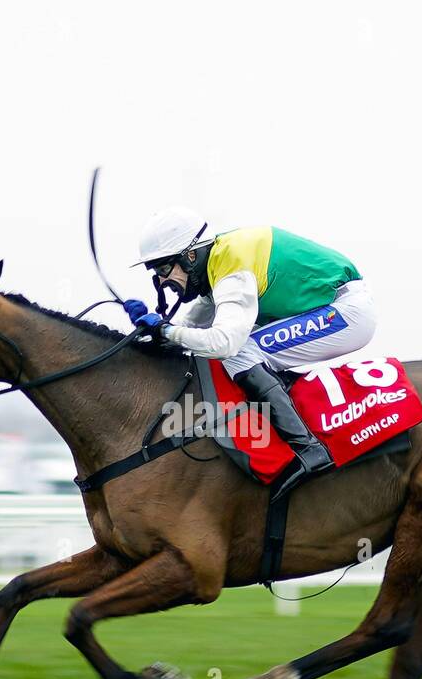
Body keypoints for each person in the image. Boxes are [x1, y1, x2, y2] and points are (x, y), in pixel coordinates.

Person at [124, 206, 377, 496]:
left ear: (190, 256)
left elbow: (223, 343)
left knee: (241, 350)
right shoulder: (218, 264)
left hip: (347, 312)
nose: (162, 282)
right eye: (156, 273)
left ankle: (309, 450)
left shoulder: (232, 267)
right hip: (335, 307)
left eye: (165, 269)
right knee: (242, 347)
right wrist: (152, 331)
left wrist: (165, 330)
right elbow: (187, 334)